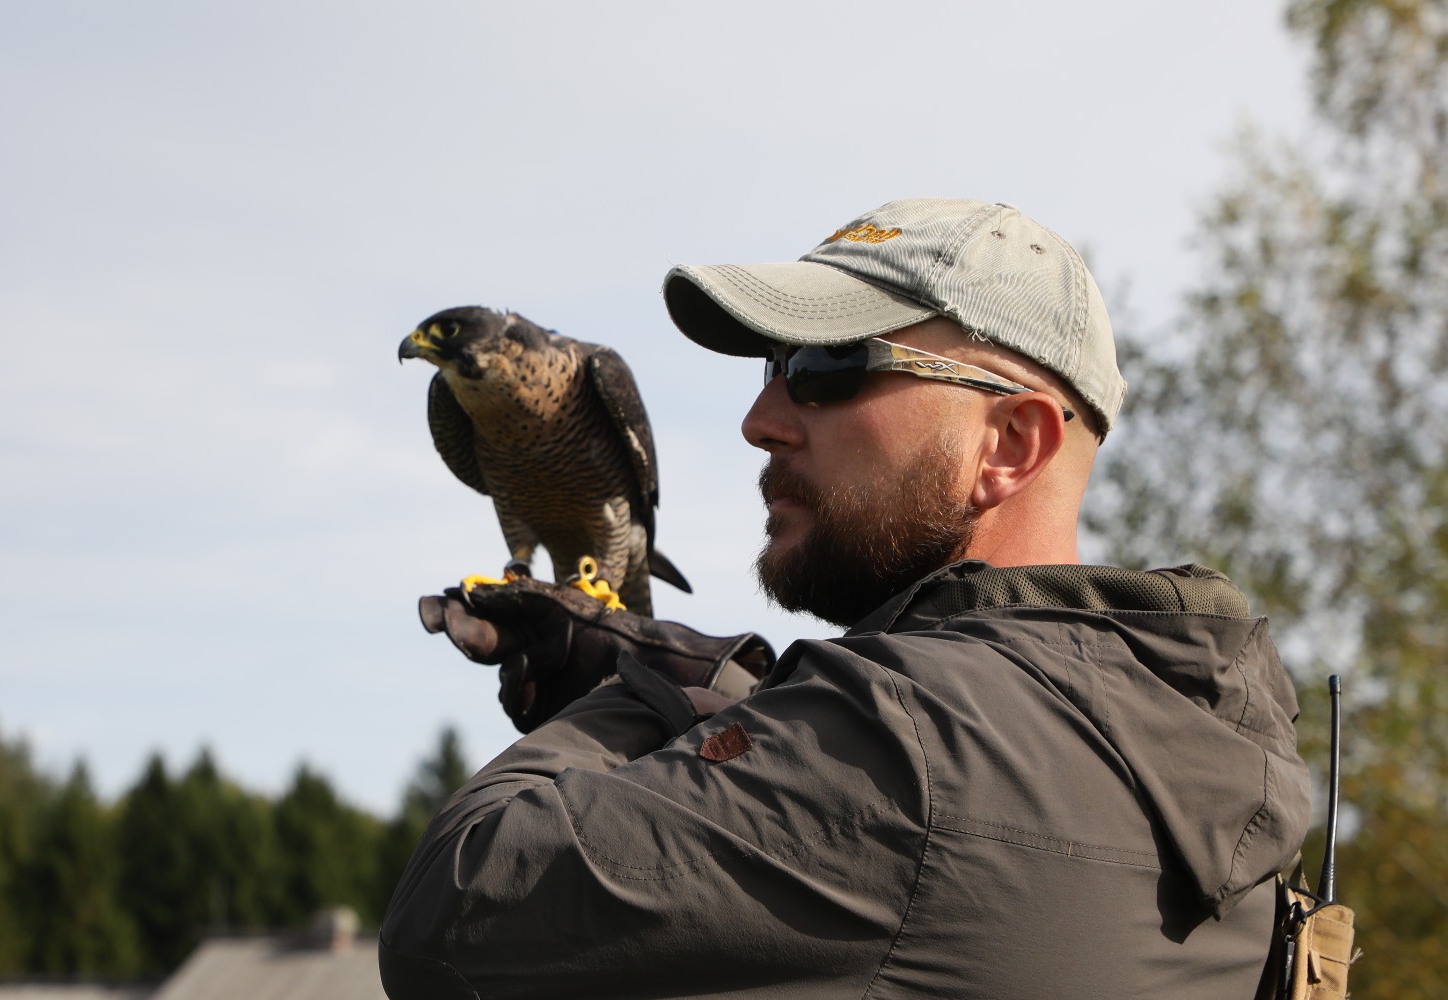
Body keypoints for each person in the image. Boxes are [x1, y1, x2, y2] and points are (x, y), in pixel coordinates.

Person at [378, 199, 1312, 999]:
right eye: (772, 369)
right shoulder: (1186, 721)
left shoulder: (910, 742)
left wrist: (623, 694)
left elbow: (453, 919)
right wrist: (734, 693)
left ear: (1012, 446)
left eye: (827, 371)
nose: (760, 420)